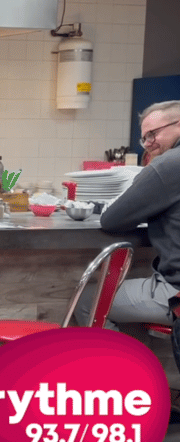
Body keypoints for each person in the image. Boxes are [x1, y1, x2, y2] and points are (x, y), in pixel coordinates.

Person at [76, 100, 180, 328]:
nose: (149, 144)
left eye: (153, 134)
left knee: (87, 302)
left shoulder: (169, 164)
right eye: (145, 138)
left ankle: (120, 365)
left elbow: (112, 219)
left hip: (176, 293)